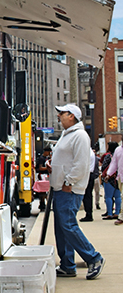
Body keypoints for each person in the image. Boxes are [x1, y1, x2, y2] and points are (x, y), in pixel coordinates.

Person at [48, 104, 105, 279]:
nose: (59, 116)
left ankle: (93, 257)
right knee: (62, 228)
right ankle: (67, 264)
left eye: (62, 114)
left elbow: (81, 164)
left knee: (68, 226)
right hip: (61, 187)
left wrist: (69, 182)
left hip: (69, 189)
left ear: (72, 116)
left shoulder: (79, 136)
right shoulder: (68, 135)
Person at [101, 141, 120, 220]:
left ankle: (109, 213)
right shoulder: (119, 154)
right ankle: (117, 212)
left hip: (109, 178)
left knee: (108, 197)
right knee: (118, 196)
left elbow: (103, 167)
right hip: (118, 177)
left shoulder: (109, 156)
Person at [80, 146, 100, 221]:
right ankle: (89, 213)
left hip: (87, 174)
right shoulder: (91, 152)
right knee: (88, 195)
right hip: (90, 174)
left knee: (87, 195)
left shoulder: (86, 152)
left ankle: (88, 214)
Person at [106, 140, 123, 225]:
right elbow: (114, 163)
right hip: (121, 178)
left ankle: (121, 217)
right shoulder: (118, 150)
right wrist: (108, 174)